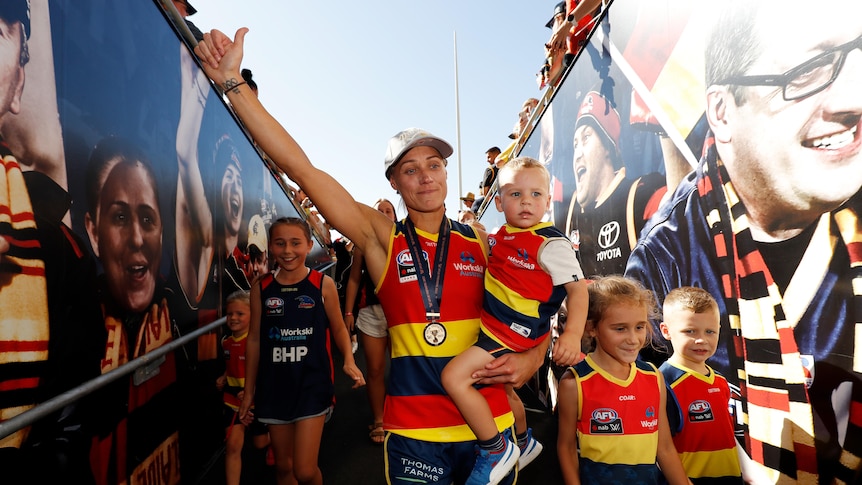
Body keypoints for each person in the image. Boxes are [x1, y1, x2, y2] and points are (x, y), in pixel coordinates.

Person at [194, 27, 547, 485]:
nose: (425, 177)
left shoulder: (482, 240)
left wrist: (534, 358)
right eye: (410, 169)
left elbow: (537, 305)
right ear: (394, 183)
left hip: (489, 433)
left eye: (434, 165)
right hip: (414, 434)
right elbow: (302, 167)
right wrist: (232, 85)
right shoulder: (380, 237)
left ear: (446, 173)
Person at [624, 1, 862, 481]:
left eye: (858, 57)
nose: (852, 97)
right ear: (722, 111)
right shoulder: (664, 256)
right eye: (812, 70)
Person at [441, 157, 589, 484]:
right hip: (495, 329)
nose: (526, 201)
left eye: (536, 194)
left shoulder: (551, 244)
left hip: (512, 334)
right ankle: (523, 442)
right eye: (515, 194)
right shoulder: (500, 235)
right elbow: (484, 241)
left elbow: (579, 292)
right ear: (498, 201)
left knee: (453, 378)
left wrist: (571, 335)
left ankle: (495, 449)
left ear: (549, 201)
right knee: (505, 392)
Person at [84, 136, 180, 485]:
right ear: (93, 232)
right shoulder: (78, 315)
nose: (137, 238)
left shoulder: (175, 298)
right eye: (120, 217)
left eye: (147, 218)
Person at [239, 217, 365, 485]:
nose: (287, 251)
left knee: (305, 471)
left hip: (312, 385)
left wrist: (349, 361)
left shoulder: (322, 285)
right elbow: (254, 341)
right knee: (284, 467)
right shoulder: (260, 289)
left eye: (295, 243)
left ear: (309, 245)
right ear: (270, 247)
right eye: (280, 243)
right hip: (273, 388)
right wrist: (249, 391)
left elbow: (340, 328)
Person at [556, 276, 690, 485]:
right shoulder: (574, 383)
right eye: (620, 328)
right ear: (592, 328)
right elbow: (566, 448)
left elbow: (664, 448)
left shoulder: (653, 377)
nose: (633, 339)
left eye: (639, 327)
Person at [566, 90, 667, 277]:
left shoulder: (639, 197)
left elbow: (680, 213)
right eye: (575, 144)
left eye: (586, 138)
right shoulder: (573, 220)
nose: (577, 154)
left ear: (607, 147)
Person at [658, 287, 742, 484]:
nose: (701, 339)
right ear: (666, 331)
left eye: (710, 331)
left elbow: (726, 436)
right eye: (690, 331)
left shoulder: (720, 381)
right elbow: (659, 448)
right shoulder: (663, 382)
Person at [343, 198, 397, 445]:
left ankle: (403, 418)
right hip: (371, 313)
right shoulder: (362, 243)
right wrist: (348, 313)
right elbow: (353, 279)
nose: (384, 214)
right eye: (380, 211)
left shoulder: (405, 239)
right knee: (375, 370)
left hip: (400, 313)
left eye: (388, 210)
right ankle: (379, 419)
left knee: (404, 368)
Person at [217, 290, 271, 485]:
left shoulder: (258, 342)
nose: (233, 318)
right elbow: (232, 365)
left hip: (257, 402)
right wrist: (224, 377)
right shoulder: (226, 341)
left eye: (240, 314)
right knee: (232, 447)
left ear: (253, 315)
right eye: (230, 313)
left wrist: (253, 390)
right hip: (232, 401)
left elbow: (267, 370)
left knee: (260, 443)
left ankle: (277, 441)